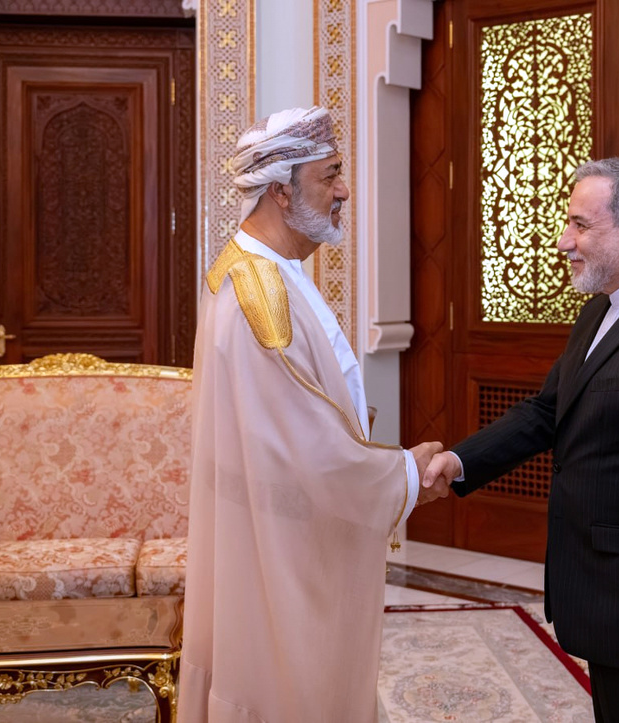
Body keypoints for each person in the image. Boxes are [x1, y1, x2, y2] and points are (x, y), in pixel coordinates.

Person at [424, 158, 619, 723]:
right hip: (607, 596)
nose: (566, 241)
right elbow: (549, 412)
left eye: (581, 225)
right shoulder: (606, 309)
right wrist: (458, 460)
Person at [178, 106, 444, 722]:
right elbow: (306, 451)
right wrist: (406, 475)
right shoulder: (259, 293)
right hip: (285, 543)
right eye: (331, 175)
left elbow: (298, 412)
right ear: (280, 189)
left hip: (282, 524)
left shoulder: (265, 268)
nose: (344, 190)